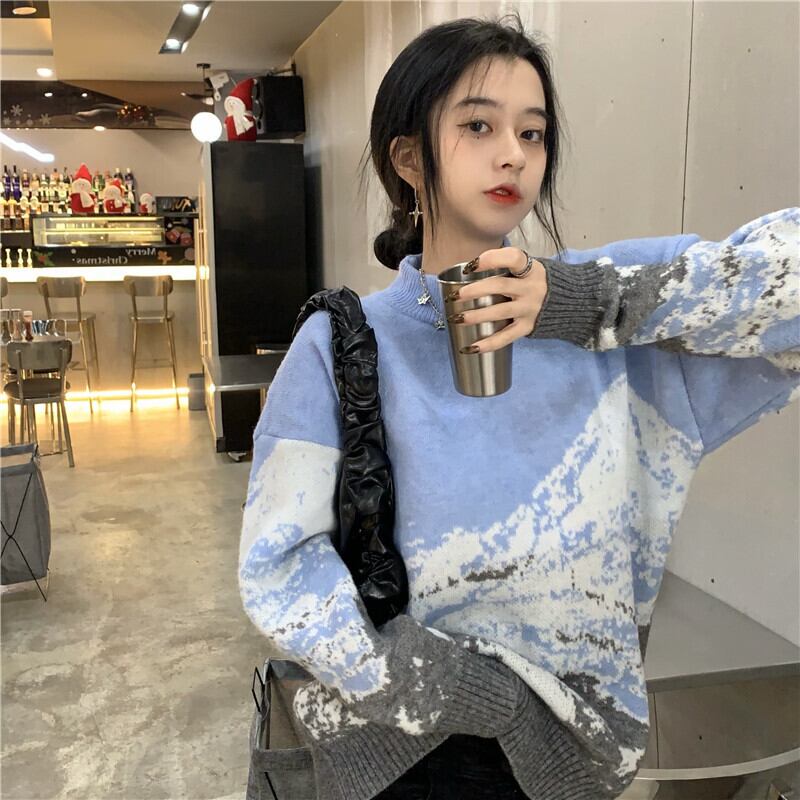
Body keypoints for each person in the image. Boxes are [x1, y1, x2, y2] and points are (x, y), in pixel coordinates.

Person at [239, 12, 799, 800]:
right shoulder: (340, 345)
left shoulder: (609, 327)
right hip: (401, 754)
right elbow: (280, 567)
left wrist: (581, 302)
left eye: (532, 133)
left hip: (572, 760)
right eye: (478, 125)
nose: (513, 153)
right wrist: (455, 688)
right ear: (409, 157)